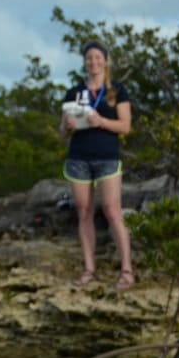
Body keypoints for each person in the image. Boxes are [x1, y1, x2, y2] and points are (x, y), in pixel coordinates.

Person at [58, 41, 135, 291]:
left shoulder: (116, 91)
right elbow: (61, 133)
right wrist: (66, 127)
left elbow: (125, 126)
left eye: (98, 57)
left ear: (105, 60)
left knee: (113, 211)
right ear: (84, 62)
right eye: (89, 58)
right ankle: (89, 269)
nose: (93, 62)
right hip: (79, 158)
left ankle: (127, 270)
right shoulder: (74, 93)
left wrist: (101, 120)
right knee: (84, 212)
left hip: (107, 158)